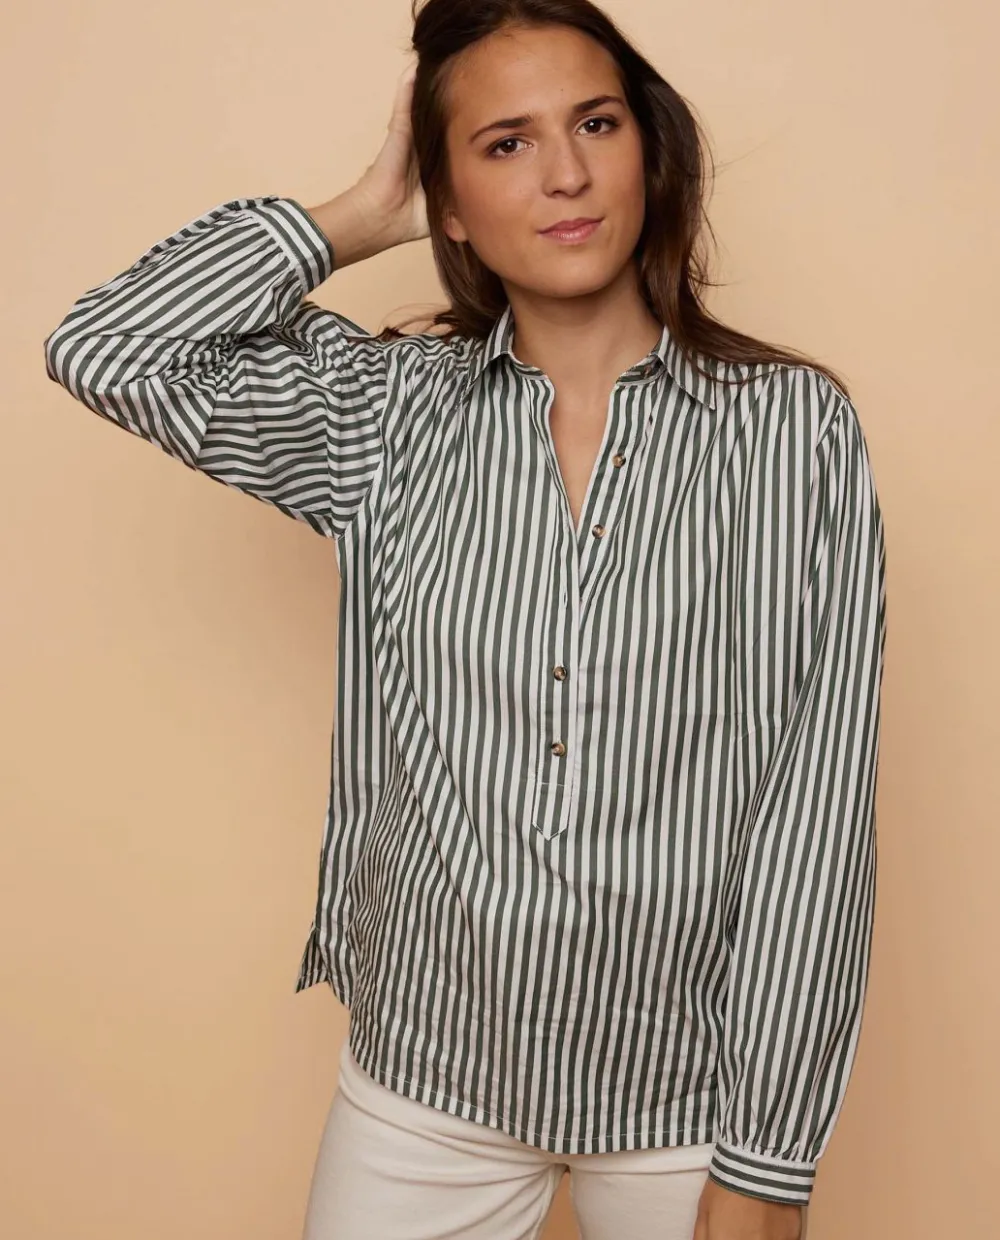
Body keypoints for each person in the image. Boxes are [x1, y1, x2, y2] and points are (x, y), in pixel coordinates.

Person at [42, 1, 887, 1237]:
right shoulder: (383, 414)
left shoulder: (790, 433)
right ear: (448, 199)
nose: (564, 175)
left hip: (689, 1096)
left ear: (646, 147)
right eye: (504, 144)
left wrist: (767, 1159)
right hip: (428, 1079)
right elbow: (107, 347)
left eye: (595, 124)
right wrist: (354, 215)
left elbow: (817, 807)